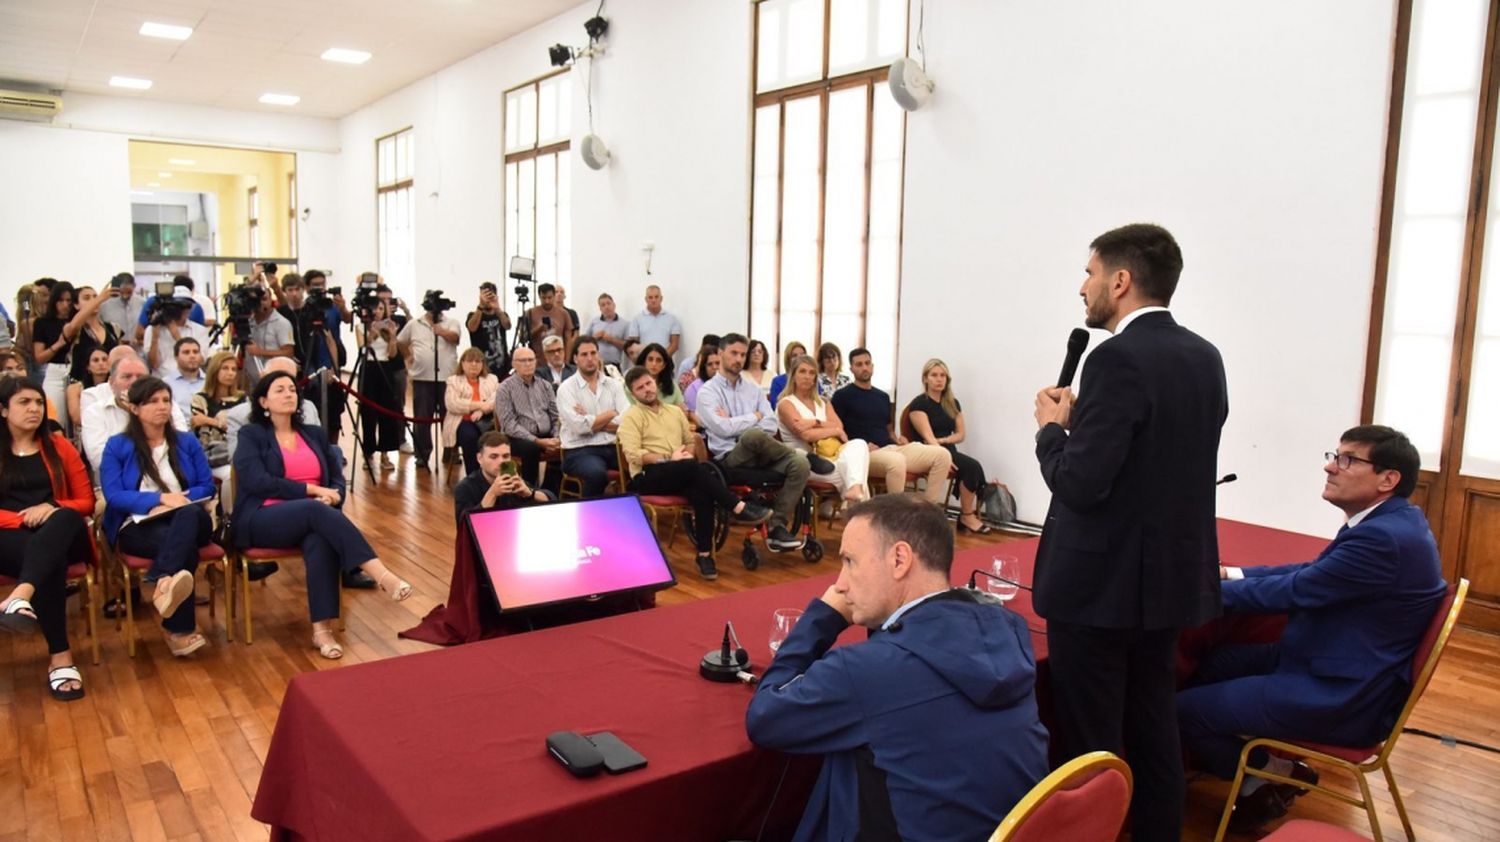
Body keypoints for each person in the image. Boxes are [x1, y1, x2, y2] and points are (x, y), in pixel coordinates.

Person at [1031, 223, 1228, 842]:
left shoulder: (1115, 357)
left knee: (1092, 743)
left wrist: (1052, 430)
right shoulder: (1205, 355)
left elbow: (1083, 484)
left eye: (1089, 273)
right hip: (1166, 583)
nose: (1082, 286)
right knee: (1152, 726)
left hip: (1100, 585)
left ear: (1120, 281)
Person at [1179, 426, 1445, 832]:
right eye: (1335, 455)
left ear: (1388, 479)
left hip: (1339, 693)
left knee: (1176, 712)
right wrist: (1228, 574)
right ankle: (1264, 771)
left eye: (1348, 459)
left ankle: (1264, 773)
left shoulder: (1383, 538)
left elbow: (1295, 591)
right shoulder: (1390, 522)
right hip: (1330, 659)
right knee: (1213, 661)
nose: (1330, 466)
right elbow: (1310, 571)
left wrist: (1192, 595)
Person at [745, 495, 1049, 842]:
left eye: (850, 561)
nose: (840, 584)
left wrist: (822, 620)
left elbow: (765, 718)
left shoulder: (866, 671)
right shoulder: (1008, 630)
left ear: (900, 559)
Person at [233, 370, 415, 659]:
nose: (288, 394)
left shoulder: (314, 434)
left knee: (320, 541)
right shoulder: (252, 435)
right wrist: (312, 491)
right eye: (279, 390)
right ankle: (381, 574)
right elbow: (256, 481)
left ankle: (322, 631)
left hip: (312, 515)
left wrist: (335, 494)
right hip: (263, 516)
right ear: (263, 402)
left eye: (292, 389)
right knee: (314, 509)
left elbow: (336, 477)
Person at [99, 376, 217, 657]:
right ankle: (178, 629)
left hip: (190, 515)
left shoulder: (186, 441)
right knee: (182, 545)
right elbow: (114, 495)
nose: (161, 407)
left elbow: (207, 485)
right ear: (134, 408)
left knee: (187, 517)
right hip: (140, 524)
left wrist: (178, 501)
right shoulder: (117, 445)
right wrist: (158, 499)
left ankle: (161, 577)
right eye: (152, 401)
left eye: (166, 400)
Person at [619, 366, 771, 579]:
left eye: (648, 383)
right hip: (648, 475)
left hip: (680, 470)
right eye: (639, 388)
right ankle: (736, 505)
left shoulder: (674, 411)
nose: (646, 390)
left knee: (702, 492)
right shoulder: (631, 417)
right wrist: (668, 459)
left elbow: (690, 441)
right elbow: (633, 455)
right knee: (694, 469)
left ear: (656, 383)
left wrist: (686, 456)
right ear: (632, 393)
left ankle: (704, 554)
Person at [0, 377, 94, 701]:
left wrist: (50, 506)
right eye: (24, 402)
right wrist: (23, 518)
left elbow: (86, 502)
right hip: (10, 538)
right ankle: (61, 658)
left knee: (64, 517)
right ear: (2, 410)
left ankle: (20, 595)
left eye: (38, 402)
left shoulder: (59, 445)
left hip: (64, 533)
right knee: (43, 558)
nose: (34, 409)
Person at [697, 333, 809, 552]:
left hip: (764, 455)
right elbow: (722, 428)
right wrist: (754, 417)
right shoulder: (707, 392)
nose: (739, 359)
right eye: (734, 353)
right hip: (729, 458)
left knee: (800, 465)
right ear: (720, 354)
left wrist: (737, 420)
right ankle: (796, 452)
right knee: (753, 436)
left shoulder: (753, 390)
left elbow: (771, 425)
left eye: (742, 354)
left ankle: (777, 527)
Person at [831, 348, 954, 505]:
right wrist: (859, 447)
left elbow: (888, 429)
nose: (864, 368)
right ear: (851, 369)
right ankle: (897, 518)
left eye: (867, 363)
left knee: (942, 455)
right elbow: (837, 430)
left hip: (892, 448)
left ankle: (929, 510)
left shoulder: (882, 397)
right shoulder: (842, 396)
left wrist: (898, 439)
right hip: (865, 454)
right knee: (896, 461)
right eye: (859, 364)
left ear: (873, 366)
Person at [906, 358, 992, 534]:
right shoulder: (919, 404)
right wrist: (943, 454)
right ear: (925, 379)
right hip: (927, 451)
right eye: (934, 375)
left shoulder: (953, 403)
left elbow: (961, 435)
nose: (939, 379)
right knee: (971, 466)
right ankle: (967, 516)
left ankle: (966, 516)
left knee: (972, 467)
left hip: (947, 449)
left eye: (942, 375)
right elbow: (928, 438)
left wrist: (945, 441)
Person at [778, 355, 869, 504]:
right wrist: (832, 429)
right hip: (807, 462)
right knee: (855, 471)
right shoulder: (786, 403)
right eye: (802, 372)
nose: (807, 377)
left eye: (812, 373)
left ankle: (856, 496)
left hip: (832, 456)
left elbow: (839, 426)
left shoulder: (823, 402)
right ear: (793, 376)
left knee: (859, 444)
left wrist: (814, 422)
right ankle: (860, 511)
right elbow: (806, 435)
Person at [81, 354, 190, 471]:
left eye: (140, 377)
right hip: (120, 483)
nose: (134, 382)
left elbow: (183, 448)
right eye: (127, 377)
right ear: (111, 383)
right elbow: (100, 461)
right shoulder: (95, 412)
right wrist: (136, 414)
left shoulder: (168, 405)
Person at [555, 337, 628, 498]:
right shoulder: (566, 389)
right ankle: (590, 517)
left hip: (613, 446)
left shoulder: (614, 385)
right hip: (579, 450)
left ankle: (628, 514)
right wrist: (610, 413)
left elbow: (627, 420)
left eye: (593, 353)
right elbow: (579, 427)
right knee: (596, 474)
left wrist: (591, 420)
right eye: (584, 354)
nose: (590, 358)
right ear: (575, 358)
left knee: (640, 466)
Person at [278, 273, 345, 441]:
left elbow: (331, 338)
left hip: (328, 364)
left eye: (297, 289)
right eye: (290, 290)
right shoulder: (291, 312)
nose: (295, 293)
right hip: (306, 367)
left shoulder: (327, 308)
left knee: (334, 409)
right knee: (310, 403)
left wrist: (334, 367)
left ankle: (333, 448)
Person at [397, 298, 461, 469]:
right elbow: (401, 341)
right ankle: (422, 454)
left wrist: (441, 331)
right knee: (422, 418)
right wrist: (408, 357)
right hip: (422, 378)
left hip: (447, 378)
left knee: (450, 417)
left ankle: (451, 451)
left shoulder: (452, 322)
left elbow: (455, 337)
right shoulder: (414, 324)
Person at [494, 347, 563, 494]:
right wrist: (536, 441)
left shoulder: (545, 385)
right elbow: (508, 424)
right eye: (523, 361)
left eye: (531, 360)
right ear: (514, 364)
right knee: (530, 448)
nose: (528, 364)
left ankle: (551, 489)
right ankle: (529, 492)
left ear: (536, 362)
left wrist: (556, 437)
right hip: (516, 437)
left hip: (545, 434)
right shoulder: (504, 388)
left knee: (567, 442)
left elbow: (555, 416)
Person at [452, 431, 553, 526]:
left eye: (506, 456)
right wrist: (492, 493)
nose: (501, 462)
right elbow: (465, 526)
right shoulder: (465, 488)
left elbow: (552, 501)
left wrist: (530, 493)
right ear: (480, 458)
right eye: (494, 456)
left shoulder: (512, 481)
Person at [30, 281, 84, 432]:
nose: (65, 305)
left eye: (69, 300)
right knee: (55, 420)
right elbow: (39, 357)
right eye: (61, 300)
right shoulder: (42, 323)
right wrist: (59, 344)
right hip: (55, 371)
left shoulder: (78, 323)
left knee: (79, 420)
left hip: (77, 371)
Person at [356, 298, 403, 470]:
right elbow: (363, 346)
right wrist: (374, 330)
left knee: (387, 412)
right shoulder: (360, 327)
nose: (378, 311)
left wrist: (392, 336)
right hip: (368, 368)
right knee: (368, 413)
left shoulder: (389, 327)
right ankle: (368, 453)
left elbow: (392, 354)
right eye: (375, 308)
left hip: (385, 368)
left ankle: (385, 454)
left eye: (381, 308)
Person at [190, 351, 246, 482]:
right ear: (215, 370)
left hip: (239, 450)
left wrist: (210, 421)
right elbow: (199, 427)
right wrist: (225, 424)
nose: (230, 373)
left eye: (233, 369)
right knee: (230, 475)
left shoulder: (242, 399)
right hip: (212, 453)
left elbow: (244, 428)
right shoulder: (200, 399)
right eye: (225, 368)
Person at [444, 348, 500, 476]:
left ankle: (497, 476)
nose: (474, 364)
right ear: (462, 363)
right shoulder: (454, 380)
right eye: (470, 361)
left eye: (478, 361)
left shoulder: (492, 379)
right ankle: (474, 477)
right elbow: (452, 404)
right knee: (471, 438)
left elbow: (497, 398)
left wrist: (482, 410)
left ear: (483, 364)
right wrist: (480, 405)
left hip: (487, 420)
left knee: (500, 439)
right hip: (462, 421)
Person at [66, 286, 121, 389]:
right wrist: (99, 299)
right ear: (76, 305)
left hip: (109, 386)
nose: (93, 301)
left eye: (95, 297)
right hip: (80, 386)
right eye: (87, 298)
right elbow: (73, 325)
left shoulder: (112, 328)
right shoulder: (75, 329)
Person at [143, 296, 210, 380]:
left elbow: (201, 361)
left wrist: (177, 337)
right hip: (160, 379)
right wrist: (155, 337)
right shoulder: (152, 329)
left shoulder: (199, 330)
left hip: (189, 378)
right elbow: (153, 364)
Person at [243, 286, 295, 386]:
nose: (261, 303)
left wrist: (260, 352)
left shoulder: (281, 323)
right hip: (252, 380)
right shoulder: (247, 322)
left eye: (264, 299)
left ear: (271, 299)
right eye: (257, 300)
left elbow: (289, 353)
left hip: (275, 380)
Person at [465, 282, 512, 378]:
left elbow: (507, 326)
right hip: (481, 368)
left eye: (490, 295)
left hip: (502, 368)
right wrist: (480, 306)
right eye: (484, 295)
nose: (487, 299)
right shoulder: (473, 315)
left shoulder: (501, 314)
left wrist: (497, 308)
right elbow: (472, 328)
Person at [65, 348, 111, 441]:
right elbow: (77, 419)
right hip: (87, 433)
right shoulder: (75, 389)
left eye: (104, 359)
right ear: (88, 367)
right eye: (95, 360)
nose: (101, 363)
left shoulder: (116, 386)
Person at [626, 284, 683, 358]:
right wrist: (645, 359)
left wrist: (662, 358)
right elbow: (633, 344)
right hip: (644, 363)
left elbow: (674, 345)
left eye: (656, 297)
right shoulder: (637, 319)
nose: (653, 300)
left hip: (666, 362)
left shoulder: (672, 319)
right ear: (646, 299)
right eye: (650, 297)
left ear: (661, 298)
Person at [524, 283, 574, 357]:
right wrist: (539, 328)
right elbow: (523, 338)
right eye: (543, 298)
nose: (547, 301)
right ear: (539, 297)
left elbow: (568, 339)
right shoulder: (530, 313)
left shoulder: (563, 313)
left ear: (554, 296)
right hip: (538, 360)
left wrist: (566, 360)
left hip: (558, 357)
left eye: (549, 297)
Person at [586, 292, 630, 368]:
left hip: (614, 366)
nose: (606, 307)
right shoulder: (594, 322)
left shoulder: (625, 324)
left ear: (614, 305)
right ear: (600, 308)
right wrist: (594, 338)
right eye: (603, 305)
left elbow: (628, 347)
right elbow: (584, 342)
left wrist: (611, 340)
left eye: (608, 303)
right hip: (595, 364)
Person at [98, 273, 144, 345]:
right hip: (113, 350)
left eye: (129, 292)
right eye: (121, 292)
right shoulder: (104, 305)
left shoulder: (142, 303)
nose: (125, 296)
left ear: (134, 286)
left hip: (138, 351)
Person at [164, 337, 206, 415]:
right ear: (176, 357)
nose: (192, 356)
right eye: (186, 352)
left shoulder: (211, 382)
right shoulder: (165, 384)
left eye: (195, 352)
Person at [682, 346, 720, 427]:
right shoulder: (693, 388)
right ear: (704, 367)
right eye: (710, 364)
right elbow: (693, 415)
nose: (715, 367)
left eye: (717, 363)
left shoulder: (729, 384)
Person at [768, 341, 806, 409]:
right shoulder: (778, 382)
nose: (800, 358)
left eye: (802, 355)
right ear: (788, 360)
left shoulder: (813, 379)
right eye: (794, 356)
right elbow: (776, 407)